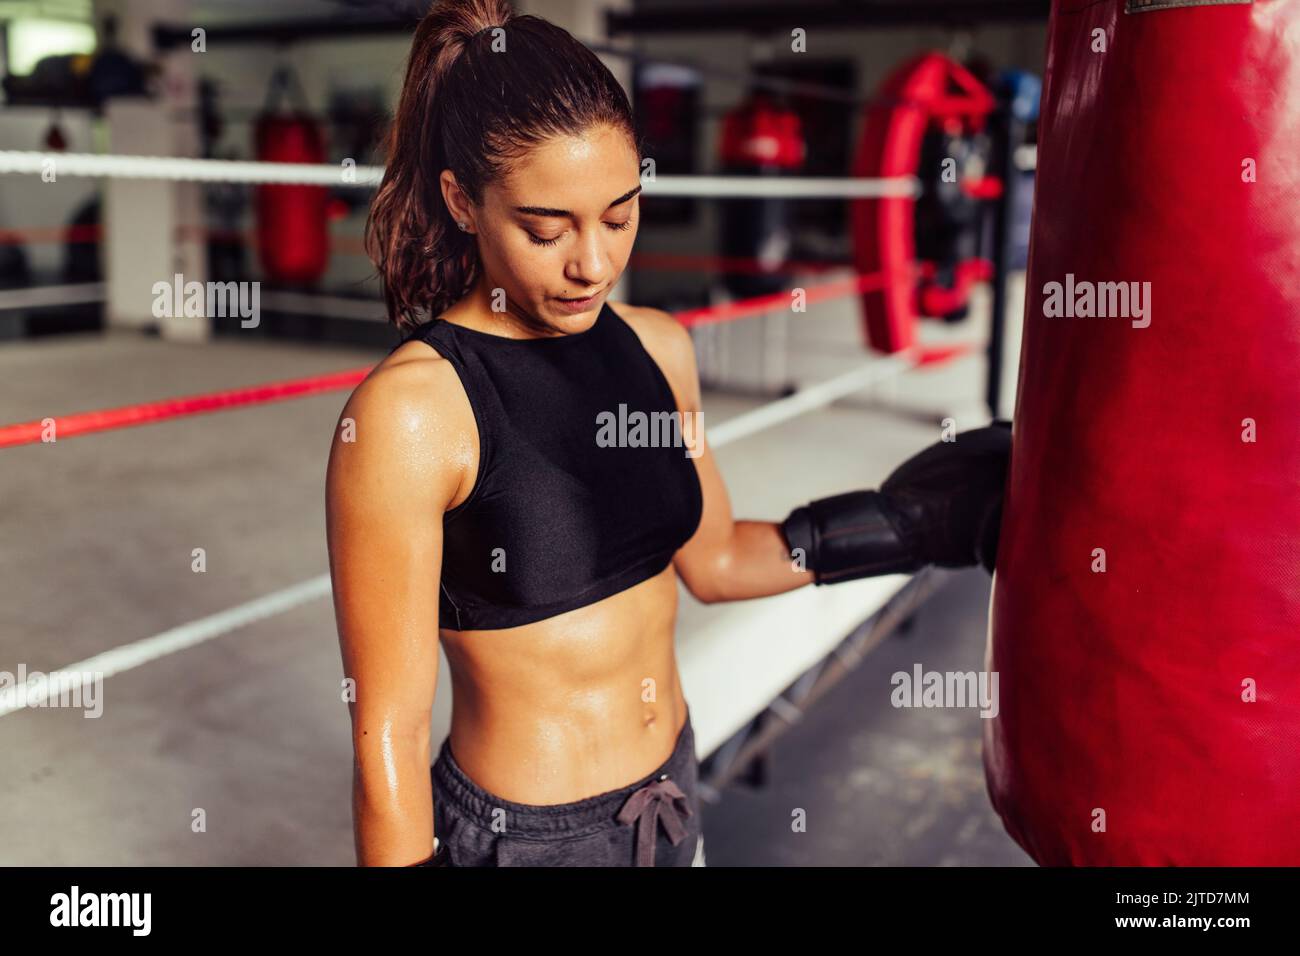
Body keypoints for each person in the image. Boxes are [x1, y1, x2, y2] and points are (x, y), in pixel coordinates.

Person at [326, 0, 1009, 868]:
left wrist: (905, 523)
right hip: (528, 844)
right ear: (462, 200)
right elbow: (386, 732)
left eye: (619, 216)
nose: (594, 264)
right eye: (547, 229)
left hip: (670, 799)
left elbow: (716, 561)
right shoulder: (414, 413)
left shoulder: (657, 348)